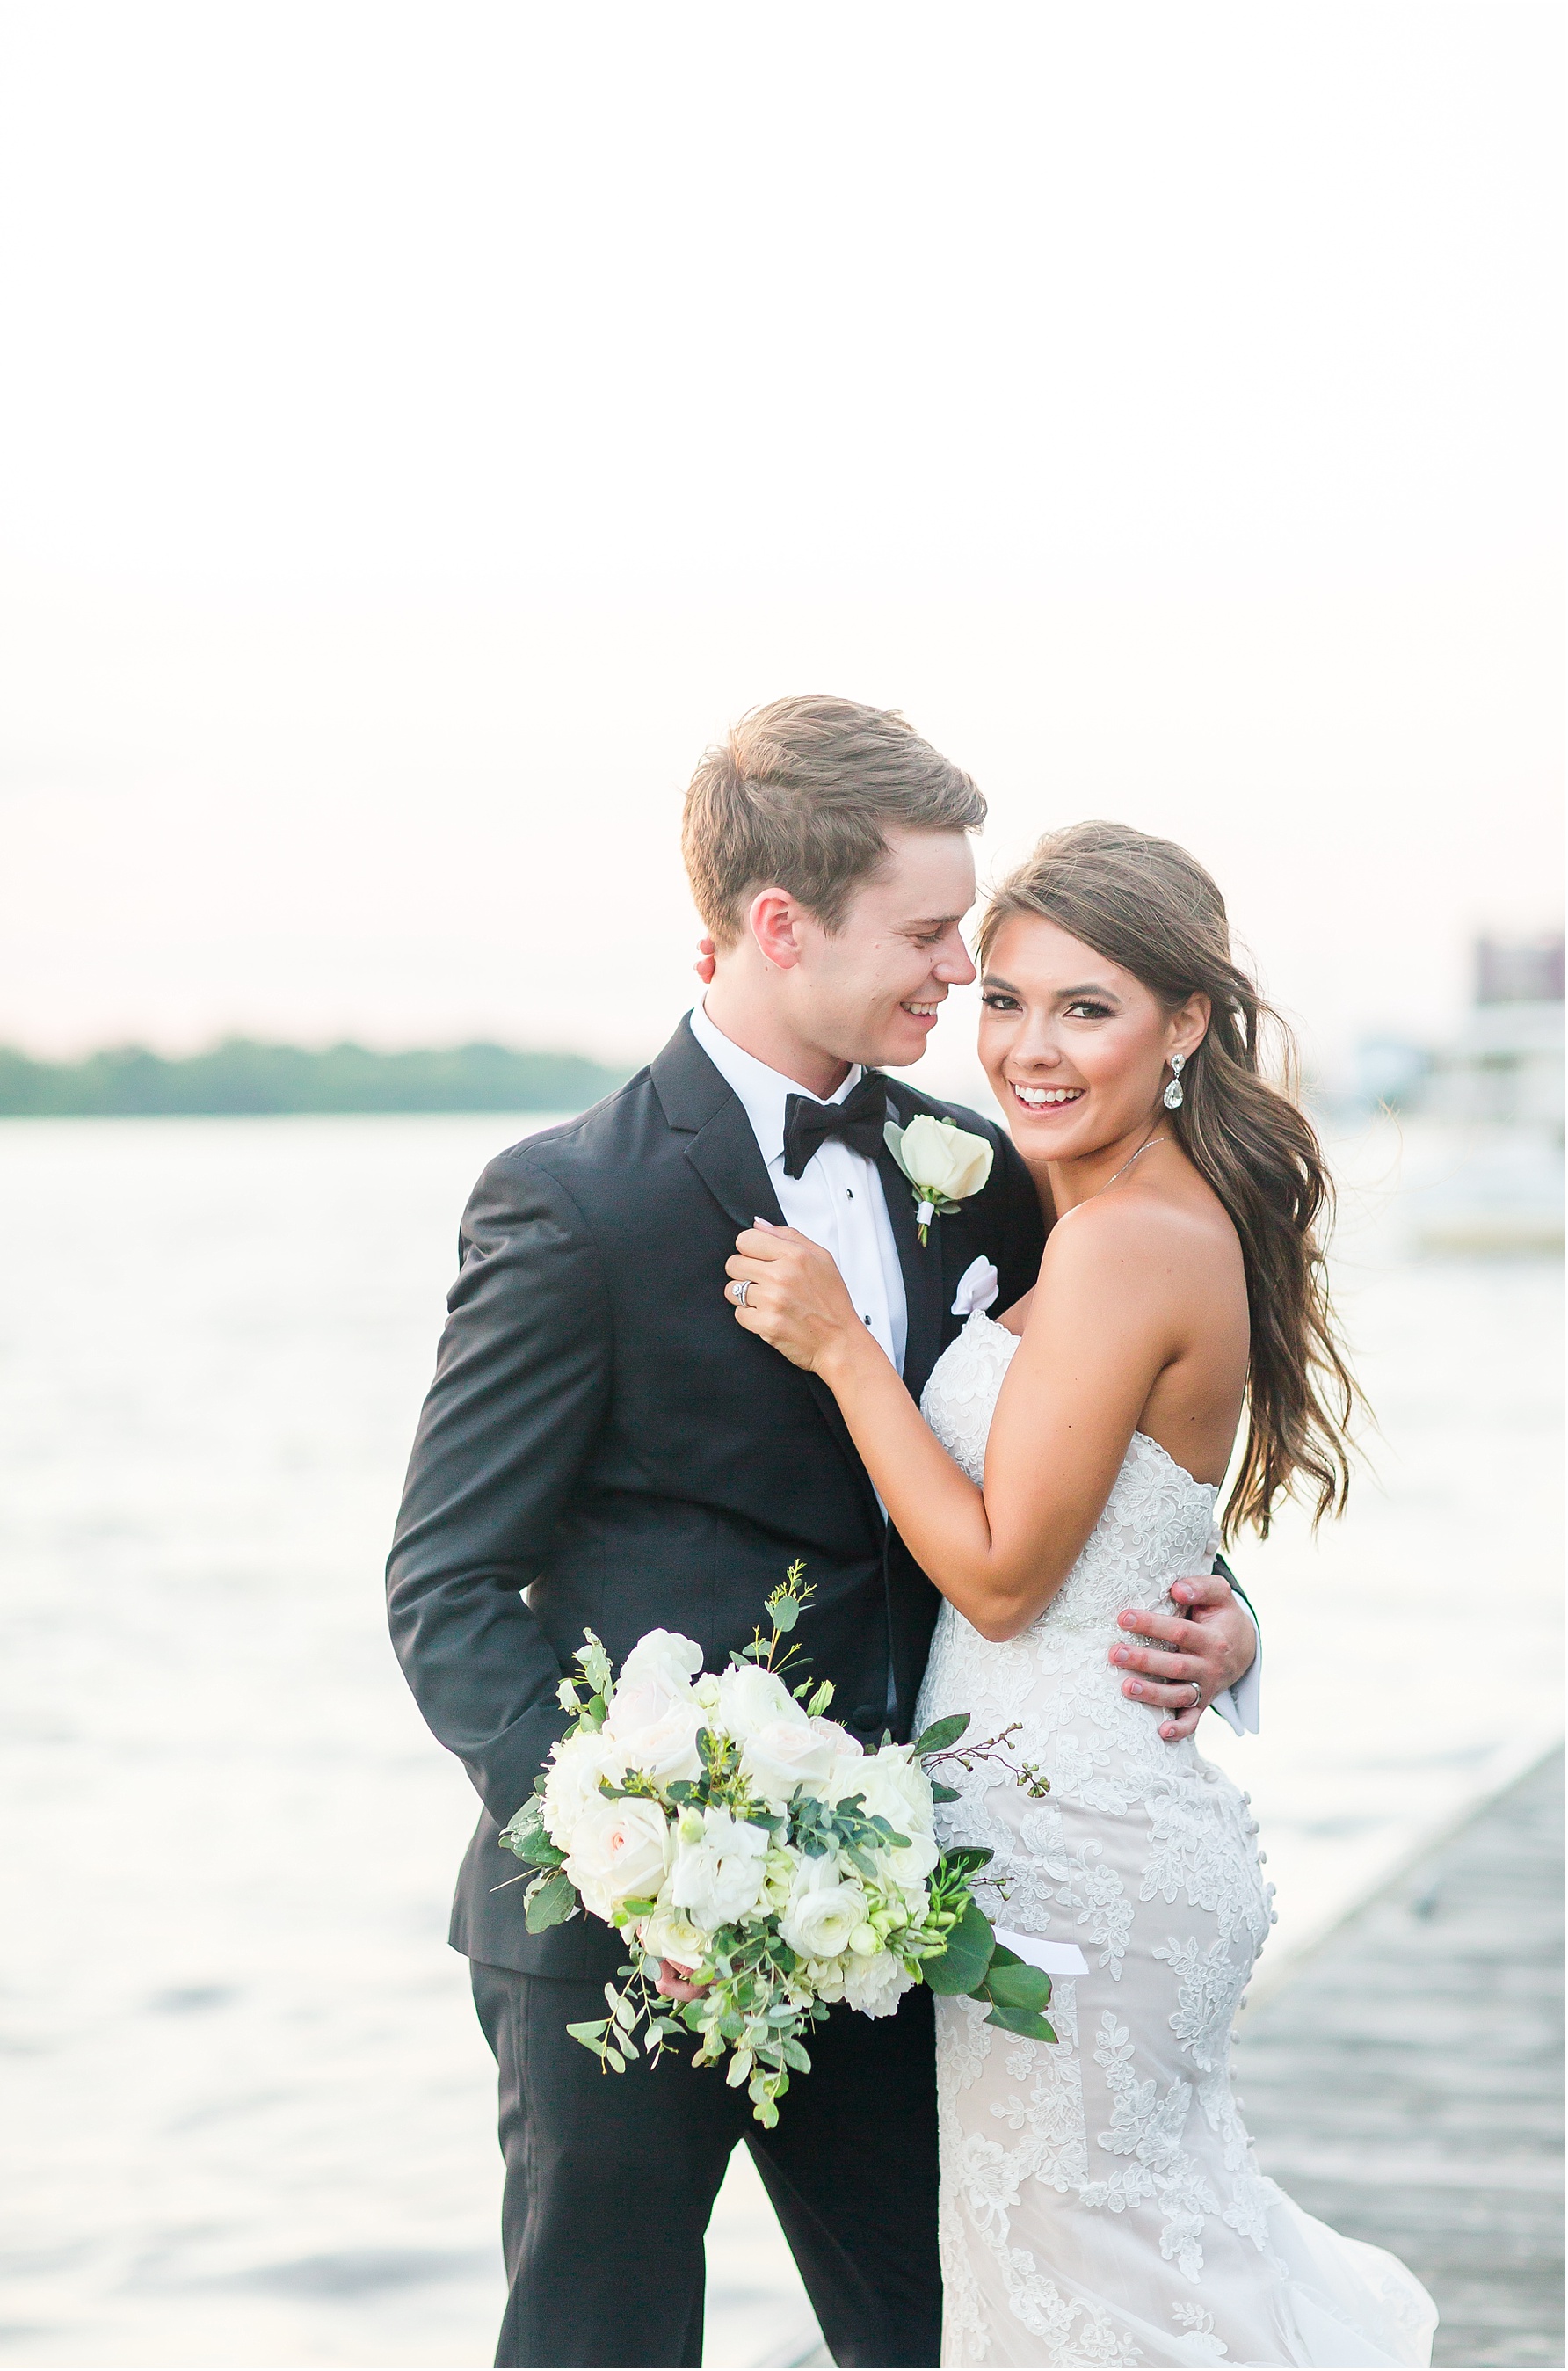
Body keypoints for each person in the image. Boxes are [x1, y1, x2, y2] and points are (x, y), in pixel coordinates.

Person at [386, 702, 1259, 2370]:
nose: (961, 979)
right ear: (782, 925)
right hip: (618, 1943)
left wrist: (1229, 1618)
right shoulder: (572, 1201)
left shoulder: (990, 1177)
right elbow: (441, 1587)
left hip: (919, 1905)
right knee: (601, 2344)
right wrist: (609, 1837)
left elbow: (1083, 1460)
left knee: (946, 2334)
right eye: (933, 936)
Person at [726, 821, 1437, 2368]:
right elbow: (1138, 1517)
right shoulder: (1112, 1214)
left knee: (1092, 2298)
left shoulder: (1123, 1241)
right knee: (1108, 2288)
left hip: (1079, 1872)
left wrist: (847, 1347)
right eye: (1003, 999)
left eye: (1085, 1007)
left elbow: (996, 1575)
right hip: (1074, 1830)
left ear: (1186, 1022)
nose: (1028, 1049)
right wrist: (1228, 1612)